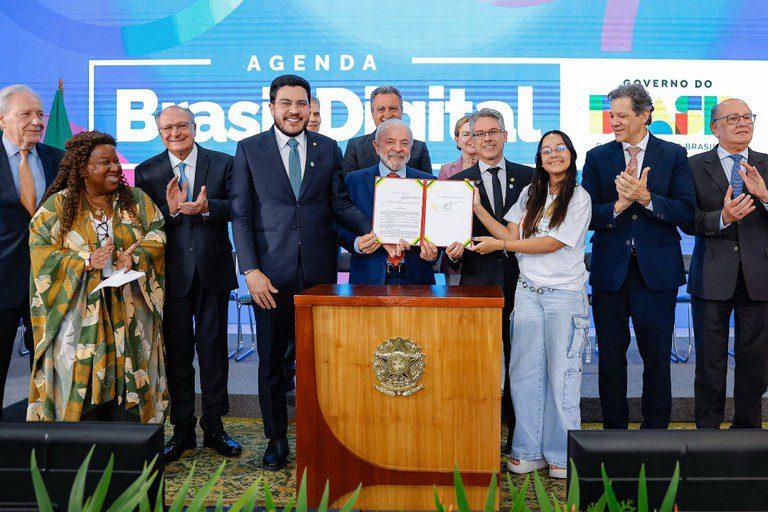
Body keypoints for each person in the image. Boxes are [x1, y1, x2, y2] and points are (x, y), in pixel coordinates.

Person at [231, 74, 368, 471]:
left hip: (319, 277)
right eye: (286, 103)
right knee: (272, 362)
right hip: (269, 278)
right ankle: (276, 440)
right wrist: (251, 271)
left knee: (319, 361)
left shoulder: (328, 148)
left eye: (301, 103)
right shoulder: (249, 149)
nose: (294, 111)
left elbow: (339, 205)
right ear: (272, 107)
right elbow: (241, 215)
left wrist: (376, 229)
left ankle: (319, 433)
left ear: (310, 107)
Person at [470, 130, 591, 479]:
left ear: (571, 153)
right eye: (546, 150)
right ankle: (528, 450)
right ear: (539, 158)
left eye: (560, 148)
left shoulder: (579, 197)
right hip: (527, 294)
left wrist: (500, 246)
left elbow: (551, 244)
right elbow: (511, 236)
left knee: (562, 377)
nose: (553, 154)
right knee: (523, 374)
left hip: (564, 298)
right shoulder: (530, 192)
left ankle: (560, 454)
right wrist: (478, 209)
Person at [27, 131, 166, 422]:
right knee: (84, 392)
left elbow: (157, 234)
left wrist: (135, 257)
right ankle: (80, 458)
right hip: (78, 318)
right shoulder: (57, 206)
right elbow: (41, 252)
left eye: (116, 161)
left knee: (130, 391)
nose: (115, 168)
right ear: (82, 169)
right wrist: (85, 260)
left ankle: (133, 459)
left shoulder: (135, 201)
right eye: (105, 162)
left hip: (130, 313)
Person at [581, 83, 695, 430]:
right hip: (610, 273)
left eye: (621, 115)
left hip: (656, 274)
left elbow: (687, 212)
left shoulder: (673, 154)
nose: (613, 121)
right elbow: (586, 215)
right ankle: (613, 432)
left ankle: (655, 432)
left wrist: (646, 198)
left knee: (656, 358)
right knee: (611, 359)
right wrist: (618, 205)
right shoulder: (598, 157)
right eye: (611, 114)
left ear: (644, 115)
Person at [135, 105, 241, 461]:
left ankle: (214, 427)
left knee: (213, 355)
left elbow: (238, 207)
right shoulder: (147, 171)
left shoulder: (223, 162)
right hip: (170, 278)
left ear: (195, 128)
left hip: (213, 273)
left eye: (182, 126)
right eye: (168, 128)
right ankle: (182, 431)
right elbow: (144, 226)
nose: (175, 133)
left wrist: (207, 209)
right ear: (159, 132)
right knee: (177, 357)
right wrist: (172, 212)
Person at [449, 108, 533, 451]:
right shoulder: (457, 183)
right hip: (477, 282)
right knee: (481, 363)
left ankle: (519, 437)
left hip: (525, 280)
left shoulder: (530, 177)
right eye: (479, 133)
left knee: (521, 362)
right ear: (470, 139)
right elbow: (450, 237)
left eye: (492, 131)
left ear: (505, 134)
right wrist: (451, 252)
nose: (486, 138)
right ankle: (480, 437)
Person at [685, 98, 768, 429]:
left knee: (755, 361)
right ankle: (707, 432)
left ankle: (748, 431)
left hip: (759, 277)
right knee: (709, 360)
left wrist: (764, 196)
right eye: (733, 118)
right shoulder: (692, 166)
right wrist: (723, 217)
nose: (742, 123)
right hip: (711, 275)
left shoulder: (766, 164)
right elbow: (685, 219)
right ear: (714, 127)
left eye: (747, 117)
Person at [0, 84, 63, 417]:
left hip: (52, 283)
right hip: (2, 282)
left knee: (53, 368)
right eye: (26, 114)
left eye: (40, 114)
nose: (37, 121)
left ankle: (52, 443)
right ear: (2, 119)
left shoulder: (60, 160)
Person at [337, 118, 454, 284]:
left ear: (411, 148)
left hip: (417, 279)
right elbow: (338, 226)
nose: (398, 149)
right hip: (367, 279)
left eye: (404, 143)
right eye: (390, 142)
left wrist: (434, 253)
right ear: (376, 147)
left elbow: (439, 229)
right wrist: (356, 243)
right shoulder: (354, 180)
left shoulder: (429, 182)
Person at [342, 85, 432, 174]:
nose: (387, 115)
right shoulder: (356, 147)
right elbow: (348, 187)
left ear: (401, 110)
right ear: (372, 113)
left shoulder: (420, 148)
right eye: (381, 109)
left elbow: (428, 186)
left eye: (392, 109)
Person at [438, 115, 477, 180]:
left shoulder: (492, 167)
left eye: (475, 134)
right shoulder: (446, 170)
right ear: (457, 140)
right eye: (466, 134)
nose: (471, 138)